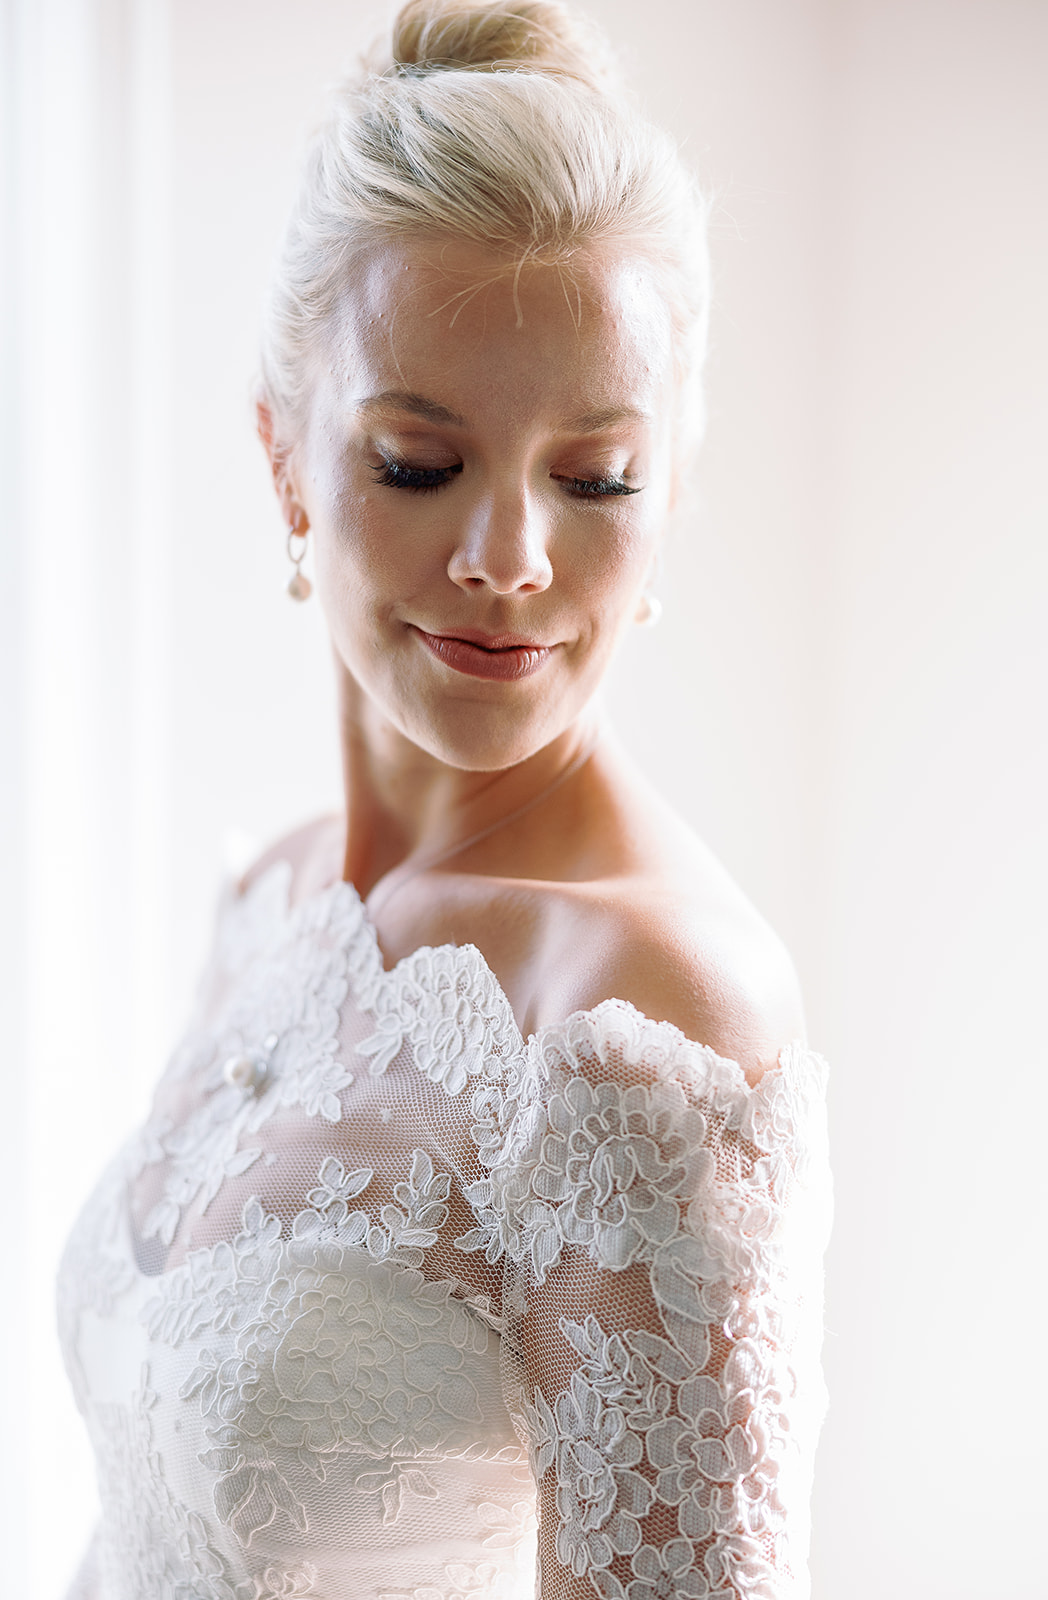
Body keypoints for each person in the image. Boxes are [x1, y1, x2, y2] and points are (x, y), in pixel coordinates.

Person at [57, 3, 832, 1596]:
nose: (512, 560)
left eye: (593, 477)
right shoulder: (272, 909)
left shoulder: (644, 1014)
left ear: (669, 486)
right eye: (422, 461)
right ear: (284, 463)